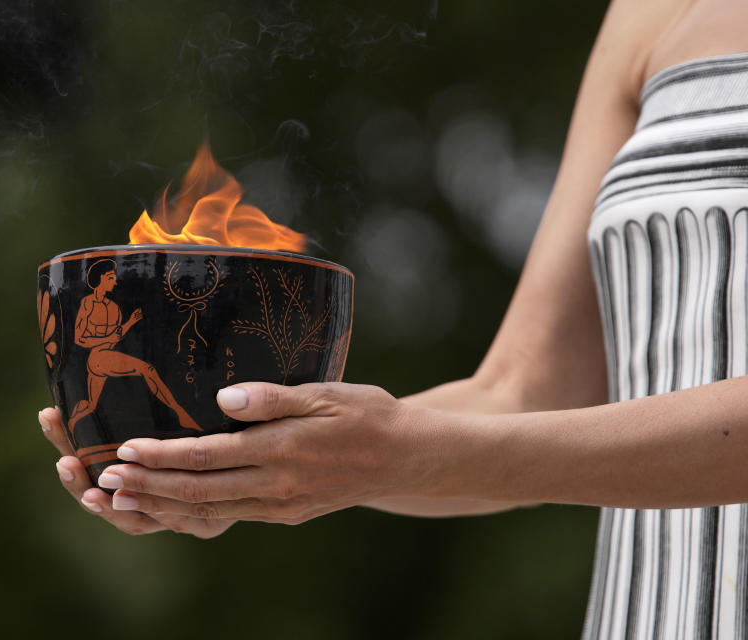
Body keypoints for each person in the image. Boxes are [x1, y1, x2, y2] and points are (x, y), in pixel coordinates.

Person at [38, 0, 748, 636]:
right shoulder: (649, 12)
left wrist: (408, 454)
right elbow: (519, 396)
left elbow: (458, 445)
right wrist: (266, 468)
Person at [67, 258, 201, 435]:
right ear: (99, 278)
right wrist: (107, 337)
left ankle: (71, 424)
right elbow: (79, 339)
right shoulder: (88, 303)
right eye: (110, 277)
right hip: (97, 357)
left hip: (105, 357)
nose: (115, 282)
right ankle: (180, 413)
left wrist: (130, 322)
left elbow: (115, 338)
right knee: (148, 369)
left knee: (91, 406)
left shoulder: (114, 308)